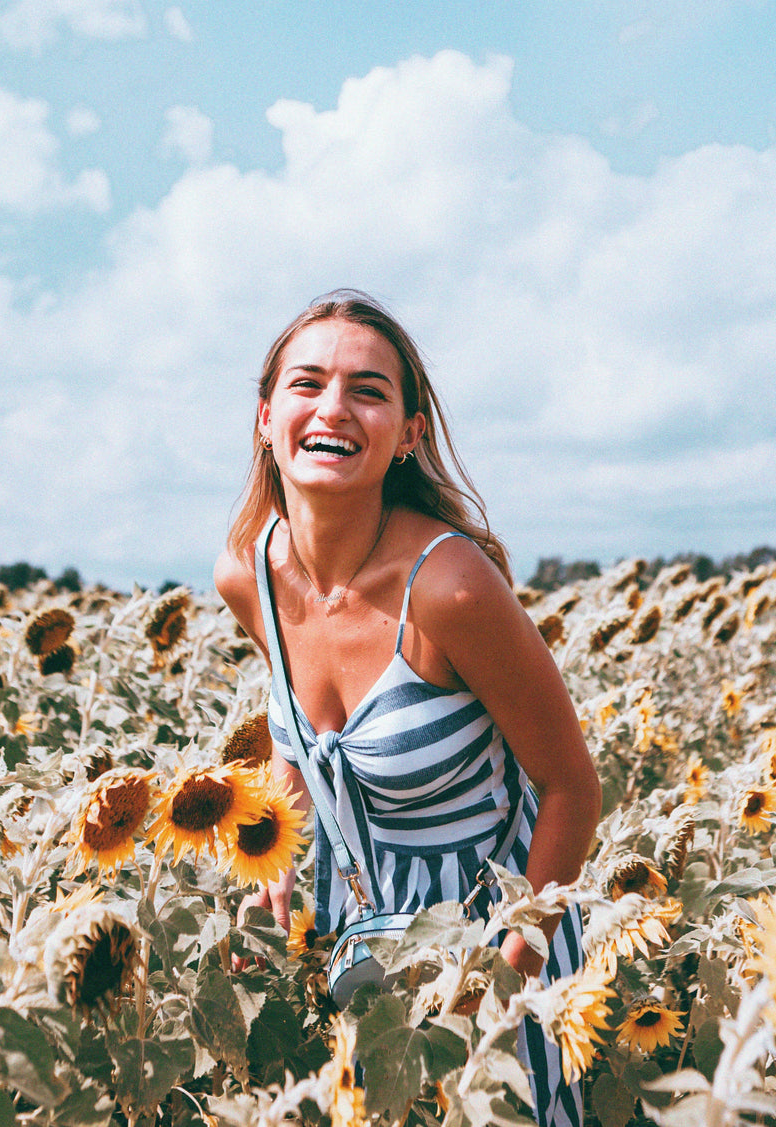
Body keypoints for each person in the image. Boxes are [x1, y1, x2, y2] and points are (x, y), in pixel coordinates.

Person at [214, 289, 601, 1126]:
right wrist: (271, 849)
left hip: (493, 936)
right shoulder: (249, 575)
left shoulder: (451, 587)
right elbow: (298, 736)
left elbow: (571, 785)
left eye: (368, 390)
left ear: (408, 435)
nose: (333, 408)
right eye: (307, 383)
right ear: (265, 416)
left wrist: (501, 979)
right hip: (350, 940)